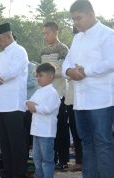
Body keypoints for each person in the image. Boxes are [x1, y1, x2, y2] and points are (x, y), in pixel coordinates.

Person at [62, 1, 114, 177]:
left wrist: (86, 71)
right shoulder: (77, 38)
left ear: (91, 14)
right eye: (73, 19)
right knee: (86, 144)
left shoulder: (108, 35)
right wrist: (69, 71)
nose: (75, 22)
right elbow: (66, 63)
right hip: (80, 101)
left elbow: (111, 62)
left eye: (78, 18)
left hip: (101, 100)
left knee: (103, 143)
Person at [0, 22, 29, 178]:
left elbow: (13, 71)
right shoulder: (0, 55)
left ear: (8, 36)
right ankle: (8, 172)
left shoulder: (20, 51)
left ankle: (18, 173)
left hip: (13, 103)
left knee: (15, 142)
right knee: (4, 142)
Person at [41, 21, 70, 169]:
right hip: (46, 95)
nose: (45, 36)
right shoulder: (44, 51)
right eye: (43, 33)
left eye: (47, 33)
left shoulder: (63, 49)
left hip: (59, 93)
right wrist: (45, 74)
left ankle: (64, 160)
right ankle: (52, 158)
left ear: (55, 32)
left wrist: (47, 73)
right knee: (49, 128)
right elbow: (42, 72)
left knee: (61, 128)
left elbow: (62, 71)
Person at [26, 63, 61, 178]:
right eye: (37, 76)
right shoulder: (38, 91)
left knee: (47, 159)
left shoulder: (53, 93)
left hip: (46, 132)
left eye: (41, 75)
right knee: (36, 158)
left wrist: (34, 107)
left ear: (50, 77)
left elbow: (47, 109)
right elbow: (29, 105)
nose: (38, 78)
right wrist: (31, 105)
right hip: (36, 131)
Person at [65, 27, 82, 172]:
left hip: (90, 99)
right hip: (72, 98)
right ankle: (80, 161)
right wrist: (69, 72)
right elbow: (66, 68)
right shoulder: (73, 49)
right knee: (76, 131)